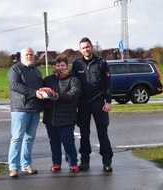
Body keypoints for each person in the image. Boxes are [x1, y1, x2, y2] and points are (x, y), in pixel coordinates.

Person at [72, 37, 113, 172]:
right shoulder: (76, 65)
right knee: (84, 133)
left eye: (87, 47)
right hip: (83, 103)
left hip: (99, 102)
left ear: (92, 47)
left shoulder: (101, 63)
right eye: (83, 48)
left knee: (103, 132)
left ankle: (107, 161)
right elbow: (73, 84)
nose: (86, 49)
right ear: (80, 50)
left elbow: (108, 84)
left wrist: (108, 101)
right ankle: (84, 161)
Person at [7, 47, 45, 177]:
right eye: (27, 54)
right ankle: (13, 167)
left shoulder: (37, 71)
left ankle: (26, 164)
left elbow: (41, 88)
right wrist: (35, 93)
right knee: (17, 138)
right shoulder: (15, 70)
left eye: (31, 54)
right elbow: (15, 85)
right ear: (21, 56)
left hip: (34, 110)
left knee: (29, 139)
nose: (29, 56)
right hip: (20, 109)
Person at [42, 55, 81, 173]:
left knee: (68, 142)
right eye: (58, 65)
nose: (60, 67)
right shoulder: (48, 79)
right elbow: (42, 92)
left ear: (67, 66)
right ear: (55, 66)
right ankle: (56, 163)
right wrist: (45, 95)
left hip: (67, 117)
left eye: (62, 65)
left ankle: (73, 163)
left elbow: (74, 93)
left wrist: (58, 96)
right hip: (50, 118)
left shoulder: (73, 79)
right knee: (54, 142)